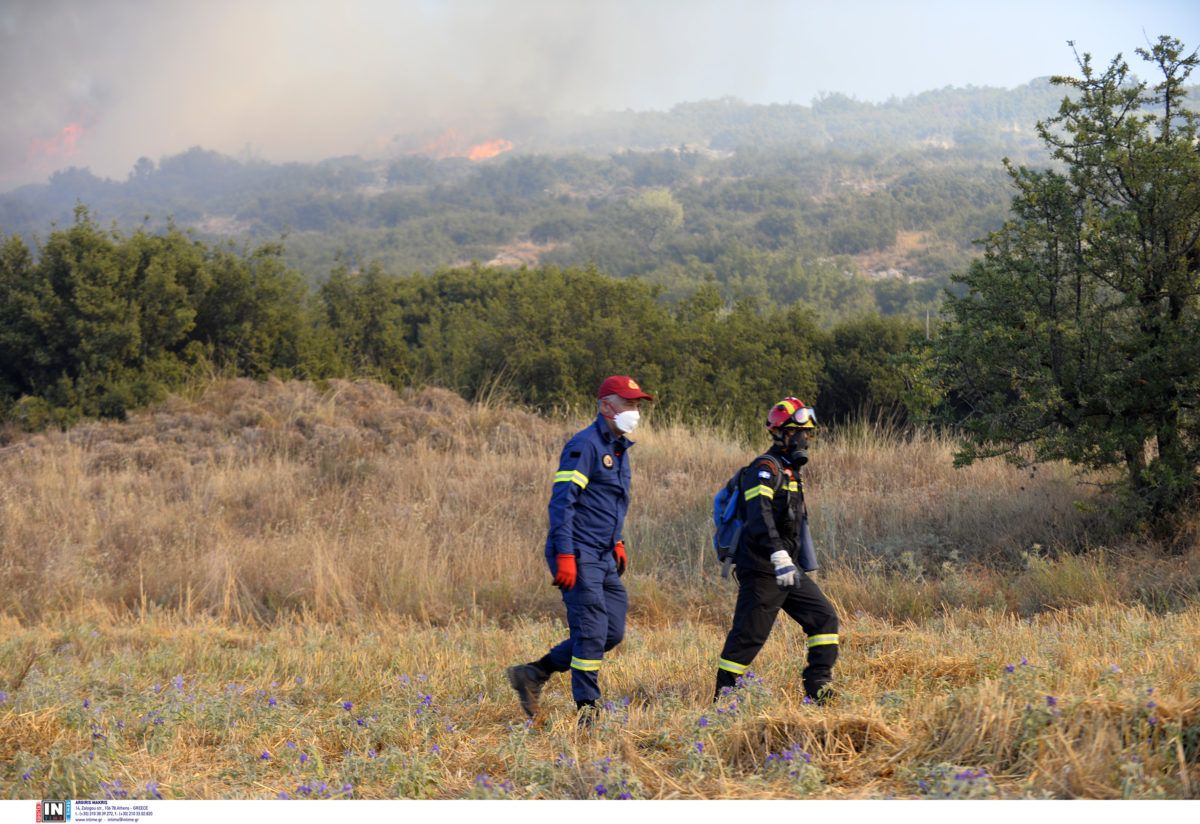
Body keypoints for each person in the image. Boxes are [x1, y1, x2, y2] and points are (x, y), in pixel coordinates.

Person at [507, 375, 653, 726]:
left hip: (603, 554)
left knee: (611, 632)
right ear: (606, 406)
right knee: (590, 631)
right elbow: (562, 503)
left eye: (637, 405)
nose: (635, 411)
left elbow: (609, 504)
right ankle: (588, 712)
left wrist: (617, 541)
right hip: (577, 551)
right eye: (628, 404)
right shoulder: (584, 445)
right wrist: (566, 555)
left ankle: (534, 673)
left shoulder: (619, 449)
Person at [713, 397, 839, 704]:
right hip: (762, 567)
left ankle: (818, 687)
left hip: (787, 567)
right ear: (781, 433)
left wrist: (793, 560)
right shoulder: (764, 468)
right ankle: (725, 701)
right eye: (800, 432)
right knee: (748, 638)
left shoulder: (791, 472)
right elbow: (759, 515)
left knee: (824, 617)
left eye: (808, 433)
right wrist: (778, 554)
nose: (805, 439)